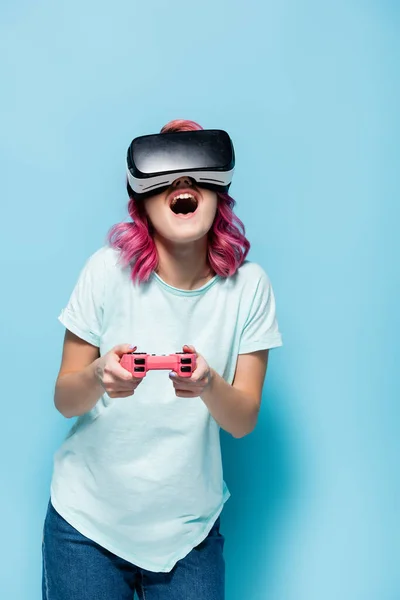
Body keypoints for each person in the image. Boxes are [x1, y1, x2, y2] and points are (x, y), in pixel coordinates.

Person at [42, 119, 283, 600]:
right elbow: (65, 399)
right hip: (86, 525)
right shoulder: (105, 271)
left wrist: (209, 384)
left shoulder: (250, 287)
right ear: (142, 203)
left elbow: (244, 420)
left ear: (219, 193)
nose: (183, 186)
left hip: (187, 534)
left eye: (197, 175)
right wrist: (99, 375)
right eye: (166, 178)